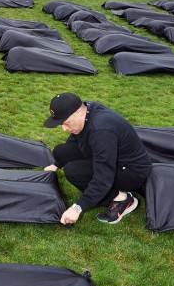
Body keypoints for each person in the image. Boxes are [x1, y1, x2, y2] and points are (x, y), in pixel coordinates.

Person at [43, 93, 152, 226]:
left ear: (78, 112)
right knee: (60, 151)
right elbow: (75, 138)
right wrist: (57, 164)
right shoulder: (87, 110)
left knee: (73, 171)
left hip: (131, 171)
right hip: (113, 156)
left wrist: (77, 208)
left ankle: (123, 200)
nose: (64, 128)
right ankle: (120, 197)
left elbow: (103, 178)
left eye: (66, 123)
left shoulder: (101, 130)